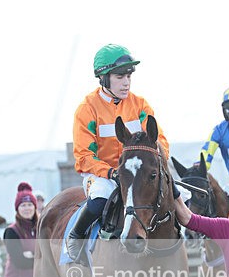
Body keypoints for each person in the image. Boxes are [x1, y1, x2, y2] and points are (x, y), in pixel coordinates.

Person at [67, 43, 171, 260]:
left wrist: (157, 161)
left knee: (176, 195)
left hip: (139, 172)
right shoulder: (87, 109)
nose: (126, 83)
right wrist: (110, 173)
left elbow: (159, 139)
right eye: (120, 77)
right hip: (103, 175)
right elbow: (83, 156)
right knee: (100, 200)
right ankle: (75, 236)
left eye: (129, 76)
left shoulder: (140, 105)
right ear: (103, 78)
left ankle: (190, 234)